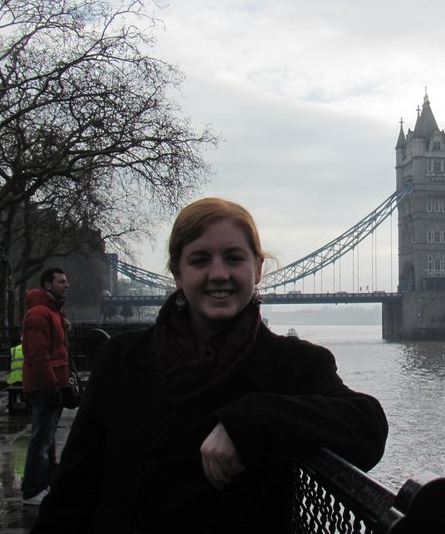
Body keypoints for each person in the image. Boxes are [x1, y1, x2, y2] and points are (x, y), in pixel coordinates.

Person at [32, 198, 389, 533]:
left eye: (234, 258)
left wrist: (250, 418)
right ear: (177, 272)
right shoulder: (121, 357)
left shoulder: (293, 364)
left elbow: (368, 428)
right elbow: (72, 492)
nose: (218, 274)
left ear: (258, 268)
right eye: (200, 260)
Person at [21, 267, 71, 505]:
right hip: (44, 386)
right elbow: (38, 355)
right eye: (61, 281)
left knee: (49, 439)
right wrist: (52, 385)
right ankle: (32, 490)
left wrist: (65, 385)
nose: (67, 285)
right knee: (41, 439)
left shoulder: (53, 312)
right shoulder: (40, 314)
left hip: (54, 384)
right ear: (47, 285)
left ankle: (47, 484)